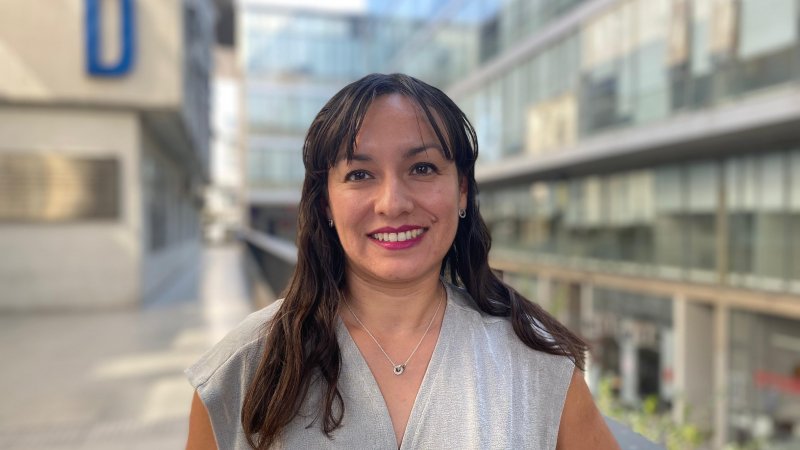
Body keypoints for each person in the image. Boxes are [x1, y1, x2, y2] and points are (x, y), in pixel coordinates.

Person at [185, 73, 618, 449]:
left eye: (422, 168)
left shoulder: (537, 363)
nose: (393, 203)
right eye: (360, 174)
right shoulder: (244, 369)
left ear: (461, 191)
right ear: (326, 204)